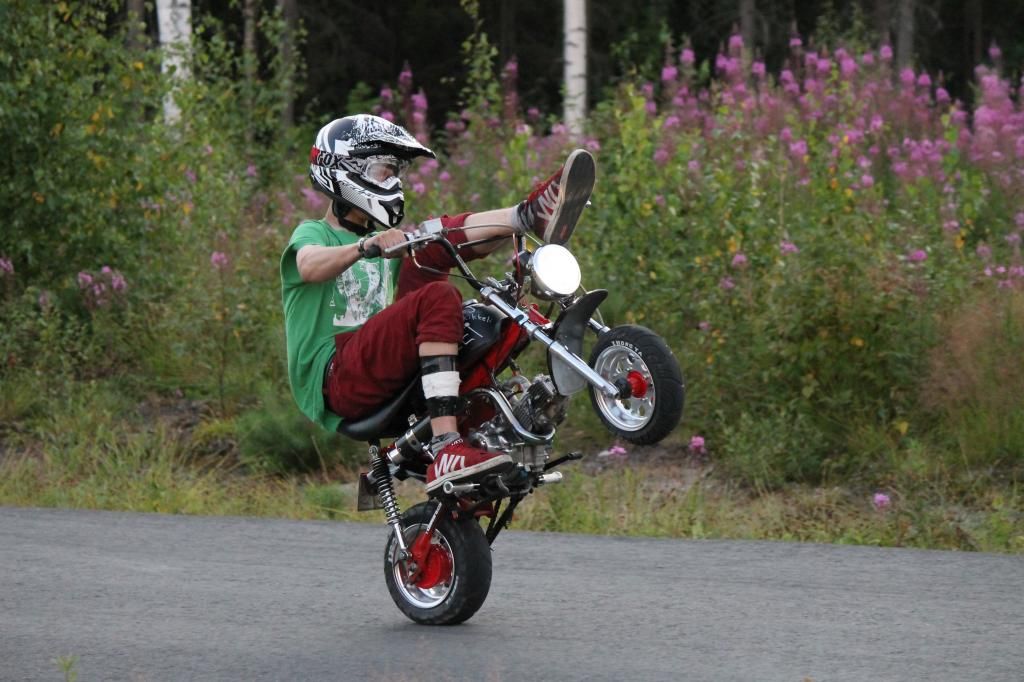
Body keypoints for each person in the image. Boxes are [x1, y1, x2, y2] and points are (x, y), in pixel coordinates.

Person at [280, 114, 595, 494]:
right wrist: (365, 246)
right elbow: (308, 265)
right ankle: (447, 446)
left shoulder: (385, 243)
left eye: (397, 174)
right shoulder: (315, 234)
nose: (393, 183)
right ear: (344, 171)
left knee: (442, 260)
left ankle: (525, 215)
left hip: (378, 368)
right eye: (383, 171)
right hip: (336, 379)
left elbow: (437, 249)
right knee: (439, 298)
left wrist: (502, 237)